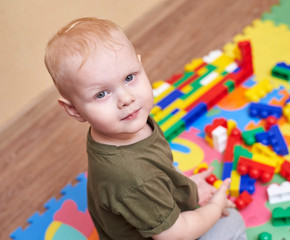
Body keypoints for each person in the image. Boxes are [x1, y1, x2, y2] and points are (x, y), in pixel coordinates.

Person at [44, 17, 247, 240]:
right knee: (232, 221)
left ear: (140, 65)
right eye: (101, 94)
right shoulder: (133, 176)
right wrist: (216, 207)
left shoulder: (120, 126)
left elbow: (153, 168)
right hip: (170, 232)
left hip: (146, 206)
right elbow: (175, 235)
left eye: (129, 78)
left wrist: (184, 187)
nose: (126, 98)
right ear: (74, 110)